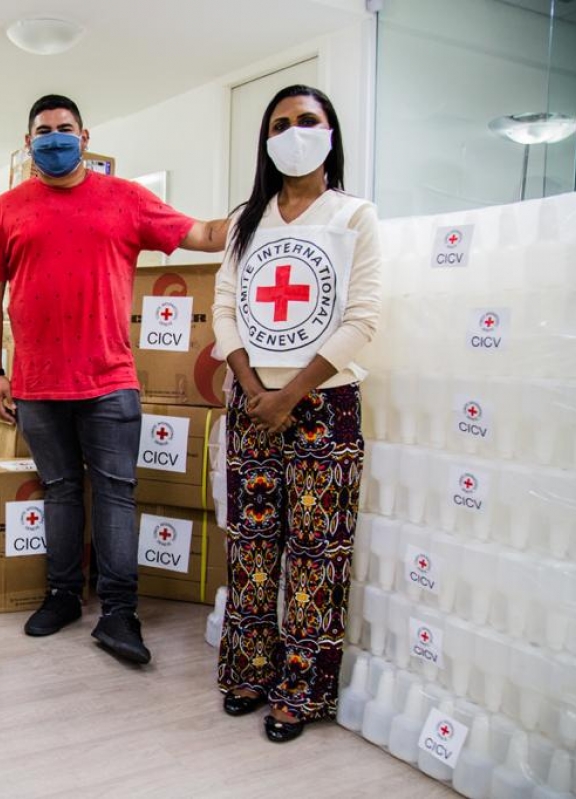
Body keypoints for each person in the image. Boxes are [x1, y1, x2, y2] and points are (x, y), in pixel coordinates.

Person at [0, 94, 227, 665]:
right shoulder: (7, 209)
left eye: (64, 128)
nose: (54, 138)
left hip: (109, 380)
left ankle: (119, 613)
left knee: (115, 495)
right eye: (43, 131)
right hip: (37, 383)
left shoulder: (126, 199)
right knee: (60, 491)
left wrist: (269, 211)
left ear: (85, 138)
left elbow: (205, 234)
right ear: (28, 142)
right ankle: (63, 595)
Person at [212, 85, 381, 742]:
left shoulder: (354, 216)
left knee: (315, 553)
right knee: (252, 547)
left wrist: (291, 394)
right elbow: (225, 309)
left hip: (324, 406)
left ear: (331, 133)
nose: (293, 133)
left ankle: (301, 689)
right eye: (279, 124)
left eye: (307, 120)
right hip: (251, 399)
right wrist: (254, 387)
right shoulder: (246, 222)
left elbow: (362, 318)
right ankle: (250, 669)